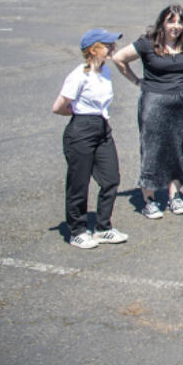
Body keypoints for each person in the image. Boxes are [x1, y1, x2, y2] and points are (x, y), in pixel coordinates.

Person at [113, 5, 183, 220]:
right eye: (171, 21)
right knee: (153, 149)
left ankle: (175, 194)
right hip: (154, 101)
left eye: (180, 23)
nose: (176, 27)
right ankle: (149, 199)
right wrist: (136, 81)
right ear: (162, 23)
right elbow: (119, 58)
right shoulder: (147, 43)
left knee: (180, 147)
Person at [52, 28, 129, 249]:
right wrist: (80, 113)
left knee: (111, 178)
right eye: (108, 45)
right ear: (93, 49)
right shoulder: (79, 75)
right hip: (81, 130)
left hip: (102, 128)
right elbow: (58, 107)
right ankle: (77, 230)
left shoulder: (105, 72)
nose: (113, 48)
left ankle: (103, 227)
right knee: (79, 182)